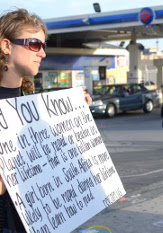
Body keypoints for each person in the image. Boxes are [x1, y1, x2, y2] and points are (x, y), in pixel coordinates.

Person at [0, 8, 92, 232]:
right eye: (33, 44)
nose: (42, 53)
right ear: (6, 46)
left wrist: (76, 117)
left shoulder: (28, 101)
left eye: (43, 45)